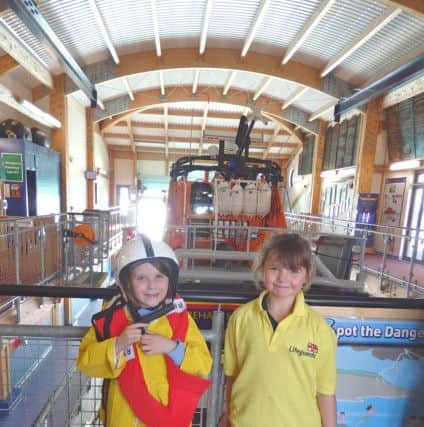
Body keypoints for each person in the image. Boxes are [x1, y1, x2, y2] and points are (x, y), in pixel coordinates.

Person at [77, 234, 213, 427]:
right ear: (126, 283)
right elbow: (85, 362)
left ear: (170, 280)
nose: (152, 285)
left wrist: (171, 347)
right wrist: (117, 345)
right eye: (141, 277)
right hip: (123, 419)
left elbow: (203, 363)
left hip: (170, 418)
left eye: (159, 276)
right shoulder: (111, 319)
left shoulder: (179, 319)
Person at [220, 233, 337, 427]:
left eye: (294, 271)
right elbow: (232, 376)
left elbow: (325, 392)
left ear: (307, 275)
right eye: (274, 269)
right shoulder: (240, 319)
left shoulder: (320, 330)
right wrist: (227, 417)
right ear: (262, 269)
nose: (283, 278)